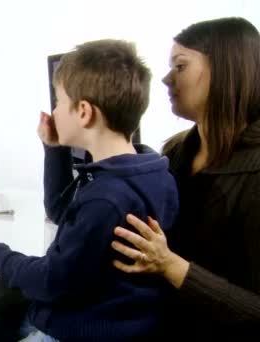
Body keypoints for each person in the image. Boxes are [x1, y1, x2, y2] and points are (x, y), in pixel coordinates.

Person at [0, 39, 179, 341]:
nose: (54, 111)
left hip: (86, 330)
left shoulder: (107, 197)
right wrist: (54, 149)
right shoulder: (151, 173)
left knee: (0, 329)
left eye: (58, 102)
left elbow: (52, 280)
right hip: (122, 322)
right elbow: (62, 211)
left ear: (84, 112)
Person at [107, 17, 260, 339]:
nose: (165, 79)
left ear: (225, 71)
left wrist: (170, 265)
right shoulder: (176, 153)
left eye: (180, 66)